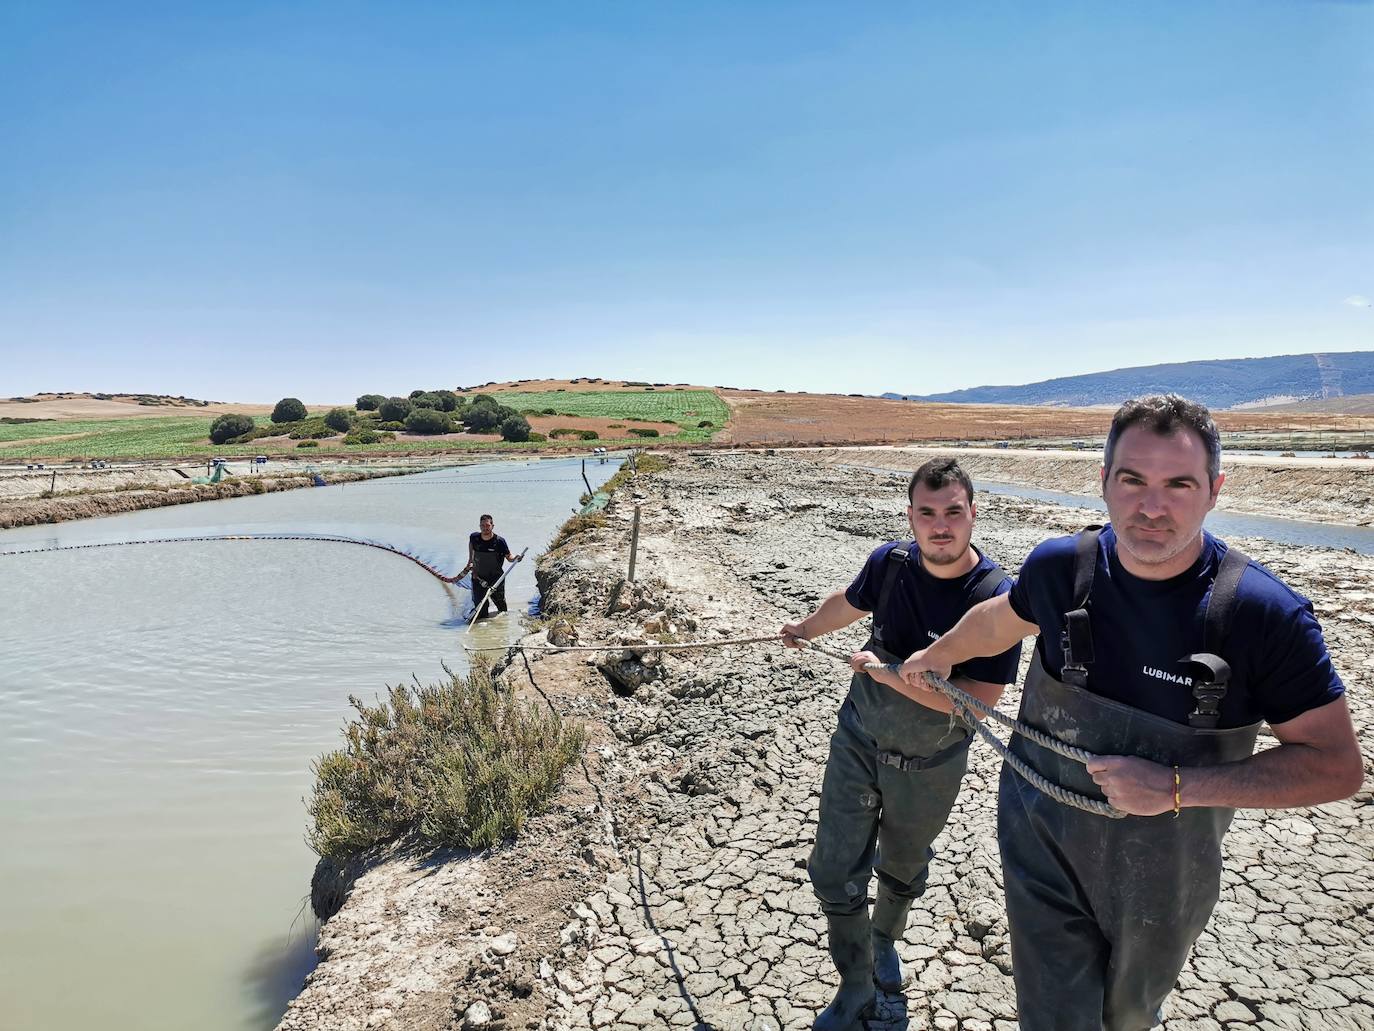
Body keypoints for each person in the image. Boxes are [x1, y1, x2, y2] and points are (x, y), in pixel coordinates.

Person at [898, 395, 1362, 1031]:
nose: (1152, 506)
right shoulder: (1062, 568)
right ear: (1105, 483)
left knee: (1128, 1015)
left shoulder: (1264, 616)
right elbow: (1002, 620)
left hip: (1163, 880)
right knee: (1056, 1015)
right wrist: (939, 654)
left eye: (1179, 484)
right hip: (1042, 844)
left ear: (1215, 490)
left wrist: (1176, 787)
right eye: (1133, 480)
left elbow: (1336, 767)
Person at [780, 458, 1022, 1030]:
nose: (940, 526)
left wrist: (890, 674)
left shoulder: (995, 598)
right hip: (859, 739)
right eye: (927, 513)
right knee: (833, 866)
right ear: (910, 516)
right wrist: (807, 629)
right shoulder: (889, 564)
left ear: (973, 514)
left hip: (932, 761)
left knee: (905, 862)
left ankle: (885, 936)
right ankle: (855, 982)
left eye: (953, 513)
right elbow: (852, 600)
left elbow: (978, 702)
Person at [460, 514, 520, 620]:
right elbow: (471, 545)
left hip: (496, 579)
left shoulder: (499, 541)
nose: (485, 528)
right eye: (482, 526)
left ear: (492, 526)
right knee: (481, 612)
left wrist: (516, 558)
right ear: (479, 526)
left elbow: (509, 556)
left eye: (487, 525)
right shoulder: (474, 537)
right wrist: (470, 561)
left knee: (502, 608)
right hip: (478, 578)